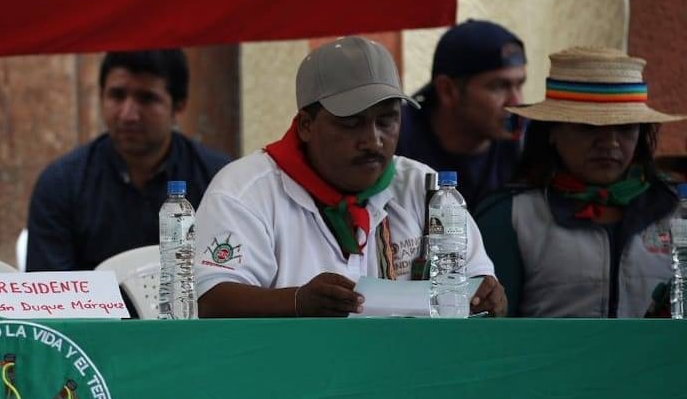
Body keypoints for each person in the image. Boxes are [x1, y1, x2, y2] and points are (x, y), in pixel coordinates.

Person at [195, 36, 505, 318]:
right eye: (350, 123)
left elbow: (479, 284)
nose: (373, 141)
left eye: (387, 121)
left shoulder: (426, 190)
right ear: (306, 125)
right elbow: (210, 299)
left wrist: (488, 298)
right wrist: (296, 302)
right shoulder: (245, 191)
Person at [474, 46, 684, 318]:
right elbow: (490, 333)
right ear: (553, 132)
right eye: (589, 127)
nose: (609, 143)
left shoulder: (676, 211)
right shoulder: (510, 217)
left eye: (625, 128)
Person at [26, 49, 230, 271]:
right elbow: (49, 294)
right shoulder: (61, 184)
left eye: (147, 98)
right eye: (117, 95)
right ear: (101, 96)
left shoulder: (217, 181)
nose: (128, 114)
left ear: (179, 104)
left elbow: (229, 276)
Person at [397, 19, 528, 210]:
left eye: (519, 85)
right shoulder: (395, 143)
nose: (516, 102)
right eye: (499, 86)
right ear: (448, 91)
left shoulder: (529, 145)